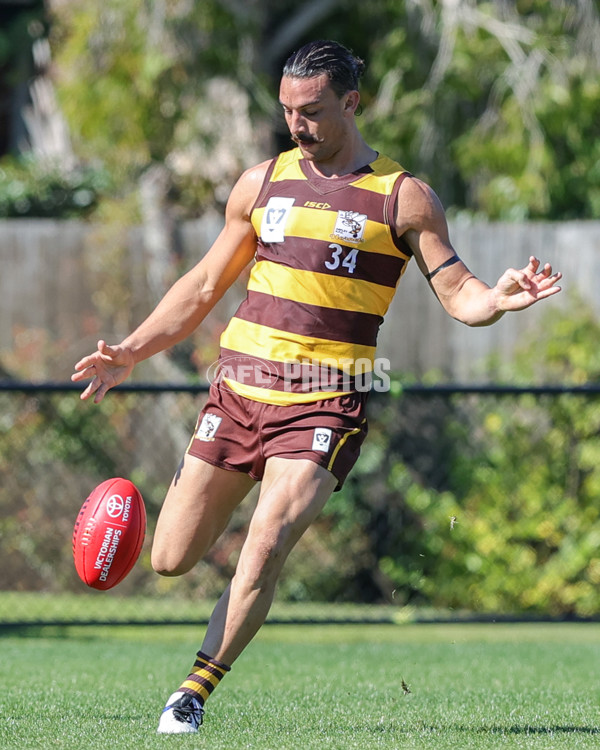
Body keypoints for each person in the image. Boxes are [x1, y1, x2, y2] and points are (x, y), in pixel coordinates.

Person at [71, 40, 562, 734]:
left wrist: (501, 298)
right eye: (287, 110)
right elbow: (205, 285)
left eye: (312, 111)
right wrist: (131, 349)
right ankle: (174, 551)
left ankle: (193, 692)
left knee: (267, 540)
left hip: (325, 402)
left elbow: (460, 293)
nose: (296, 124)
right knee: (171, 559)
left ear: (352, 103)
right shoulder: (261, 182)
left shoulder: (403, 196)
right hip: (238, 393)